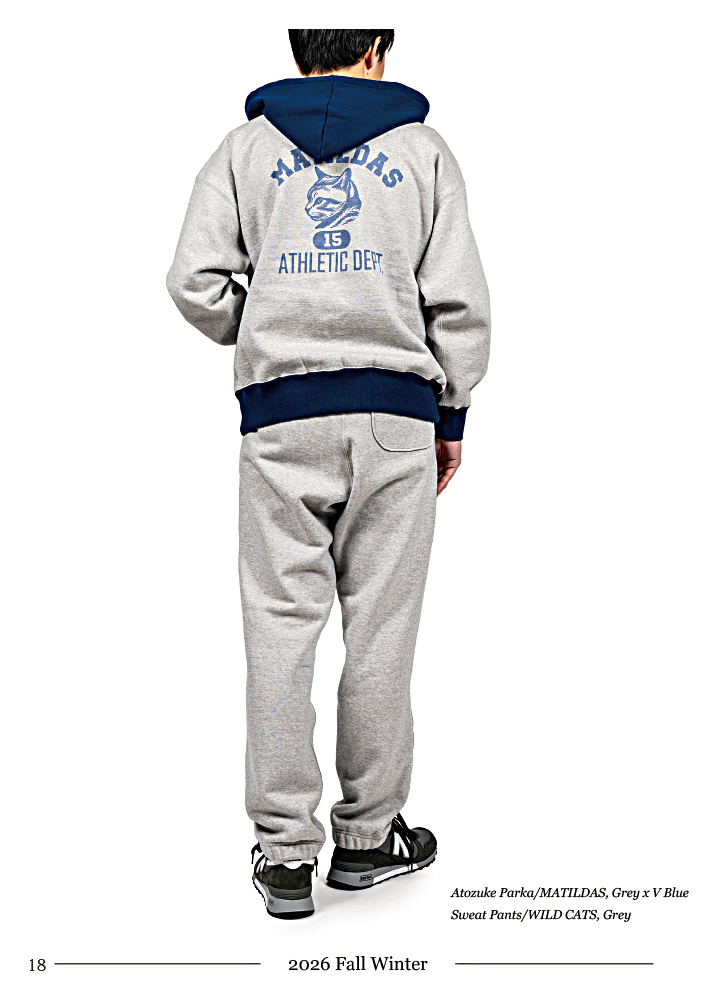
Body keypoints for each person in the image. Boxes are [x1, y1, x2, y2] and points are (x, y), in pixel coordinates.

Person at [166, 28, 491, 920]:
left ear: (298, 47)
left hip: (282, 421)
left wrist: (262, 326)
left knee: (278, 630)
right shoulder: (423, 151)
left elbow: (193, 279)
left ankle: (283, 856)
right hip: (396, 421)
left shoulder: (244, 151)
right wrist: (451, 415)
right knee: (381, 633)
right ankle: (368, 840)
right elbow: (458, 302)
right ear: (378, 48)